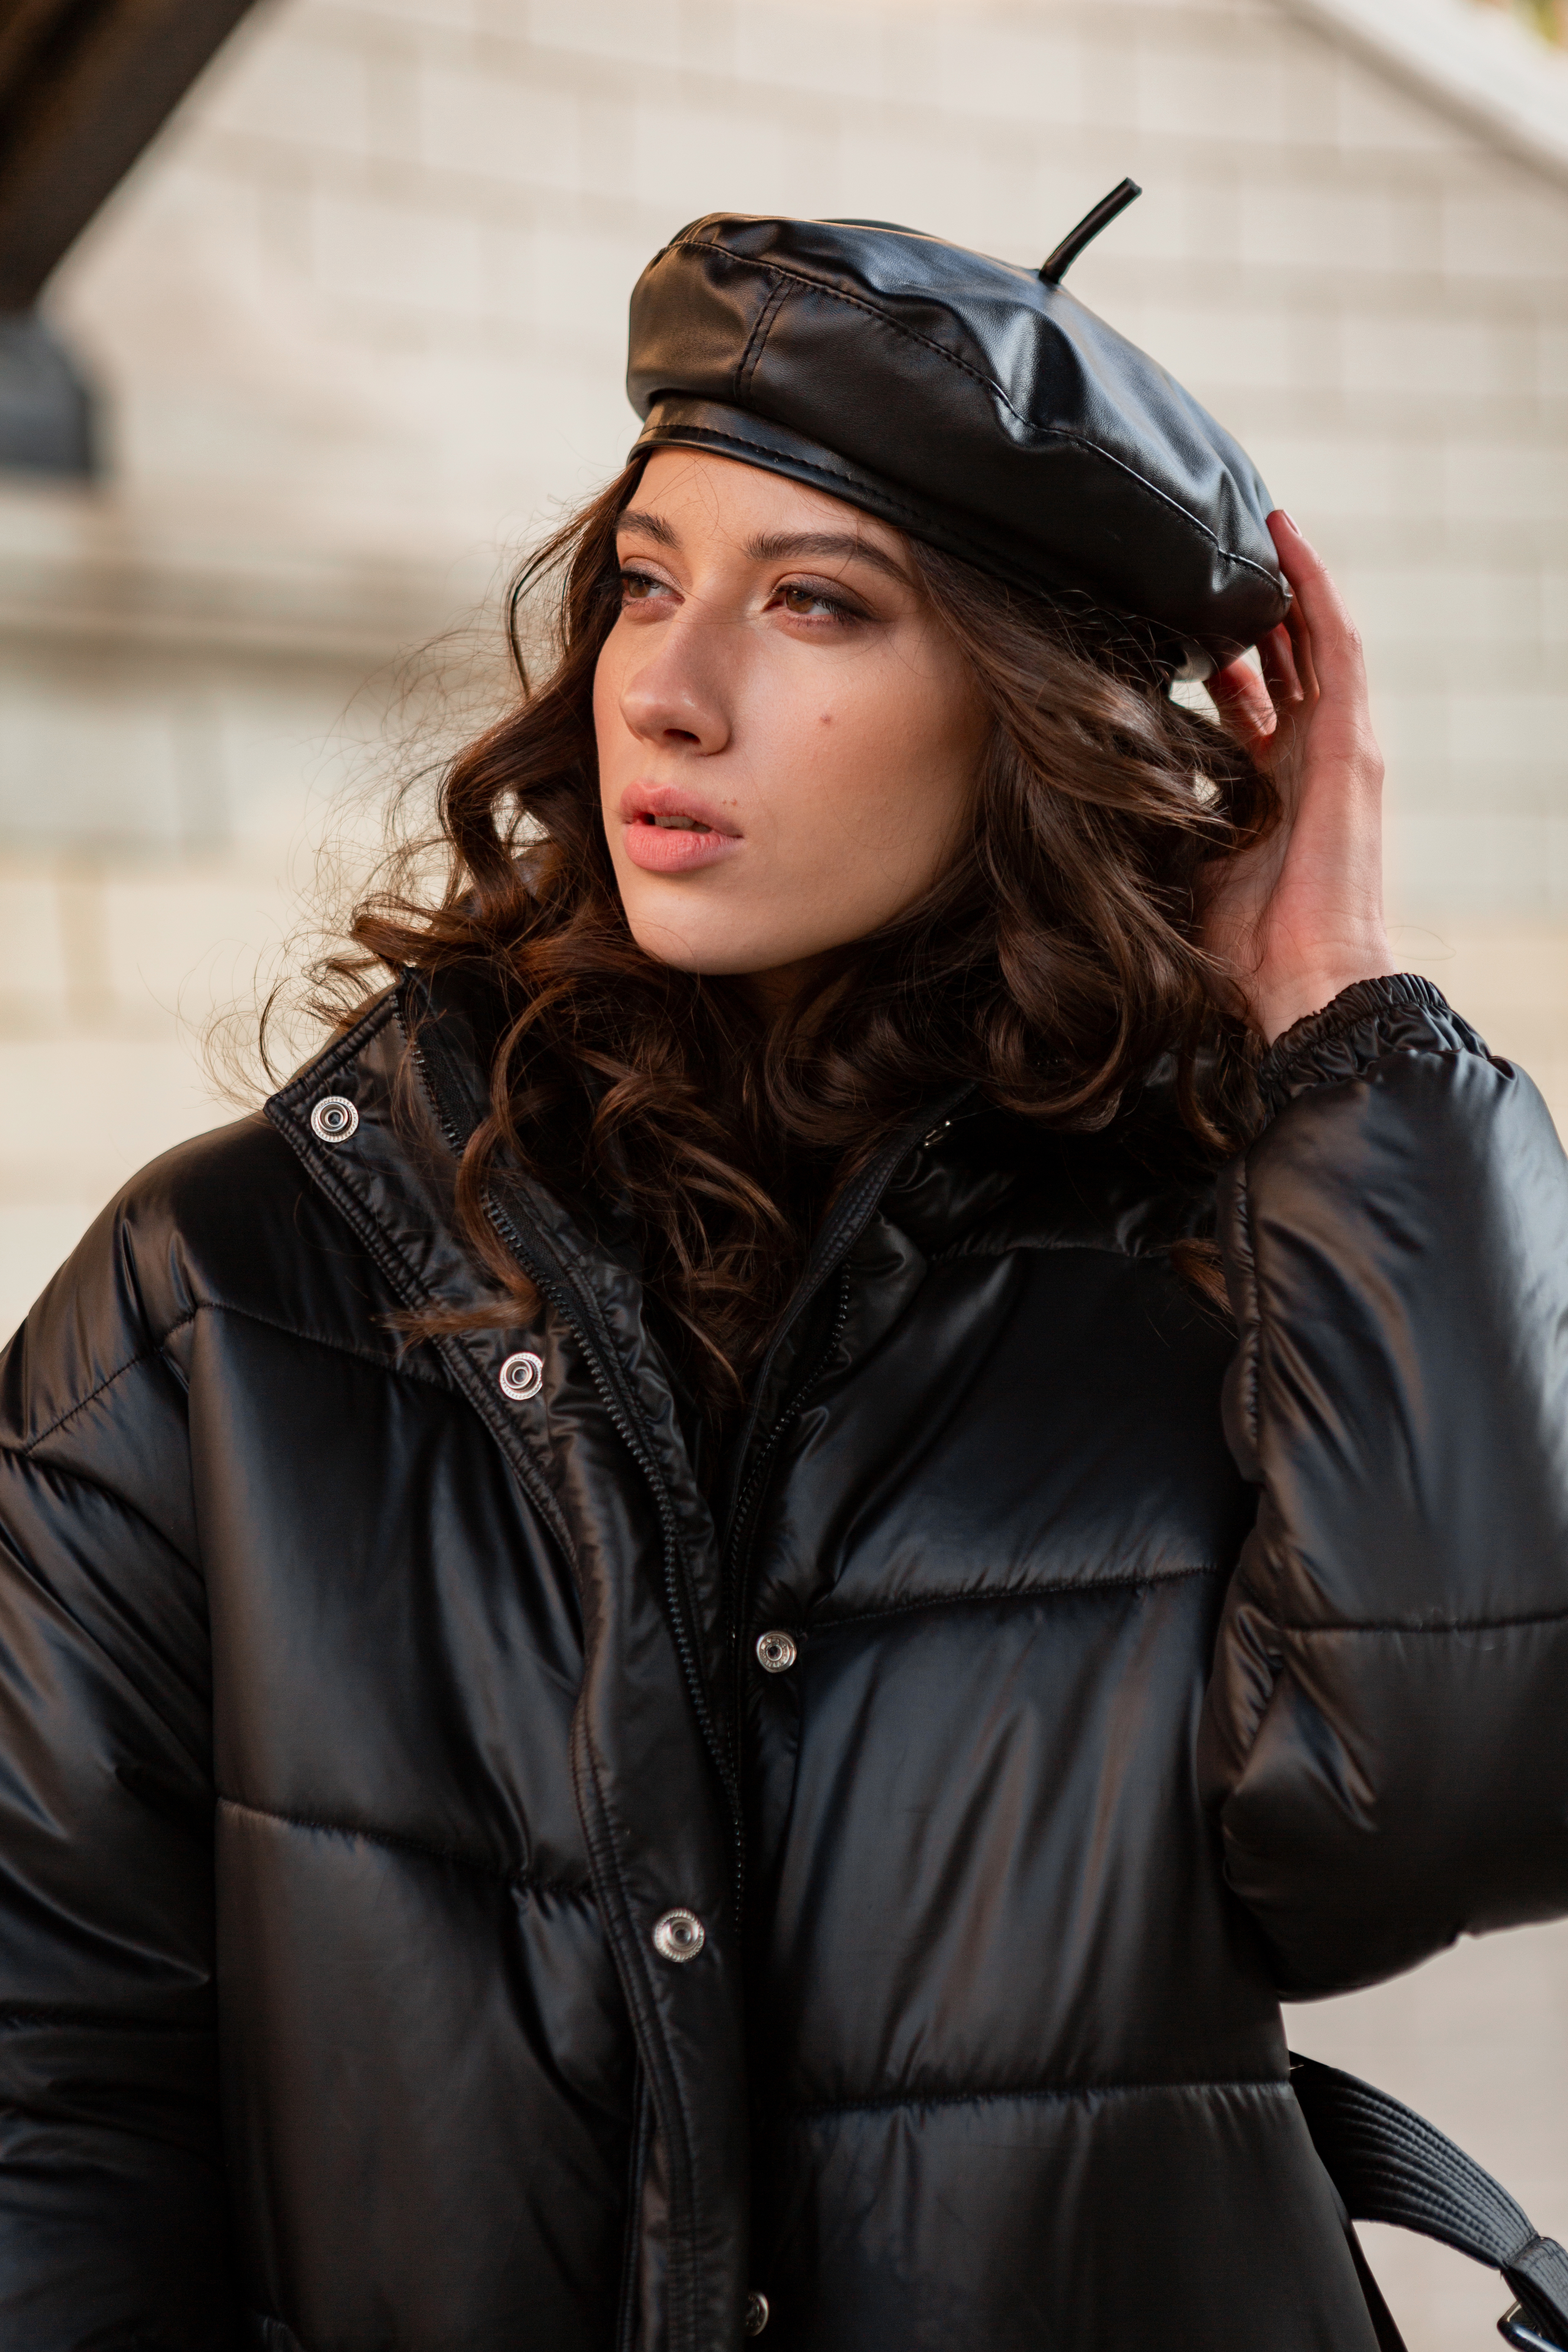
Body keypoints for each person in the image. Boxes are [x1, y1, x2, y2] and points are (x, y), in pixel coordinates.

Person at [2, 207, 1567, 2352]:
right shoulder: (222, 1304)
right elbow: (47, 2103)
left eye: (814, 602)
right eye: (650, 580)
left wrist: (1346, 1024)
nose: (668, 682)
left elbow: (1448, 1817)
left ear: (1030, 719)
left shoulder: (1227, 1270)